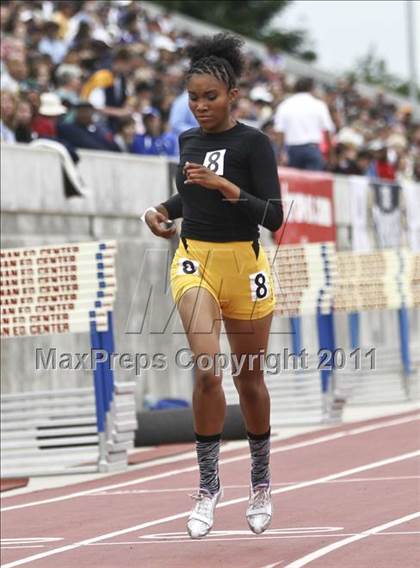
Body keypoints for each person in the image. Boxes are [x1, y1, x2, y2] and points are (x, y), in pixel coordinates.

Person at [141, 33, 283, 539]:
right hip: (193, 261)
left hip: (245, 266)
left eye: (210, 97)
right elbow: (188, 197)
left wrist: (228, 188)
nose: (200, 107)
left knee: (249, 380)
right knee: (207, 371)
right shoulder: (187, 142)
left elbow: (274, 215)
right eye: (193, 97)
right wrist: (159, 210)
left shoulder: (253, 144)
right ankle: (207, 487)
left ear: (233, 97)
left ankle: (261, 481)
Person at [273, 77, 335, 171]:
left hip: (292, 150)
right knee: (312, 184)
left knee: (293, 184)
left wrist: (279, 153)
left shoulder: (285, 105)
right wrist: (331, 156)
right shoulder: (319, 105)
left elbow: (279, 132)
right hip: (312, 149)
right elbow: (327, 131)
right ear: (311, 88)